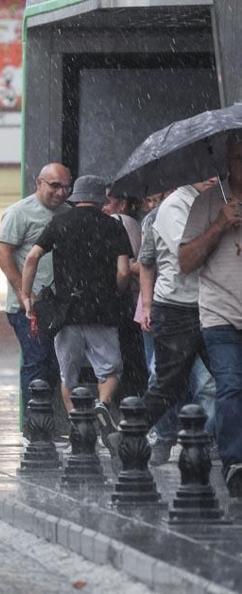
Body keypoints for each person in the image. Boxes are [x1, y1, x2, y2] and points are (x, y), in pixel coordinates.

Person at [21, 175, 131, 455]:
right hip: (102, 311)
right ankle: (102, 406)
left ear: (75, 196)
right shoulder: (113, 225)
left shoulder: (59, 223)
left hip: (66, 311)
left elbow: (32, 257)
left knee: (67, 375)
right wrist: (116, 291)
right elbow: (122, 272)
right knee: (110, 370)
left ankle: (76, 428)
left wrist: (26, 295)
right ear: (101, 199)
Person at [178, 135, 242, 495]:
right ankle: (235, 461)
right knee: (231, 384)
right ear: (227, 162)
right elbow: (185, 262)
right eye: (238, 158)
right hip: (220, 312)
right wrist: (218, 225)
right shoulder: (207, 201)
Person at [138, 180, 218, 466]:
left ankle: (205, 443)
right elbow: (184, 258)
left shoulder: (217, 200)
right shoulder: (173, 207)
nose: (213, 176)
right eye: (206, 171)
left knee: (224, 378)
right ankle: (133, 431)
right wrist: (147, 305)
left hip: (214, 304)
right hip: (176, 308)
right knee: (169, 382)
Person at [0, 163, 71, 434]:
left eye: (66, 187)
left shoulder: (68, 213)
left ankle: (47, 424)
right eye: (54, 186)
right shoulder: (19, 213)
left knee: (54, 365)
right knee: (37, 362)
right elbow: (2, 253)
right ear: (39, 183)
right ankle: (34, 429)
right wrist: (22, 292)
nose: (61, 192)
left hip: (59, 306)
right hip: (28, 307)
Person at [104, 190, 148, 402]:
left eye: (108, 202)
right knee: (137, 360)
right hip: (137, 302)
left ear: (122, 205)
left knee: (125, 359)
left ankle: (128, 406)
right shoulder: (136, 222)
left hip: (128, 302)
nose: (103, 206)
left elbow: (125, 267)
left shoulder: (117, 221)